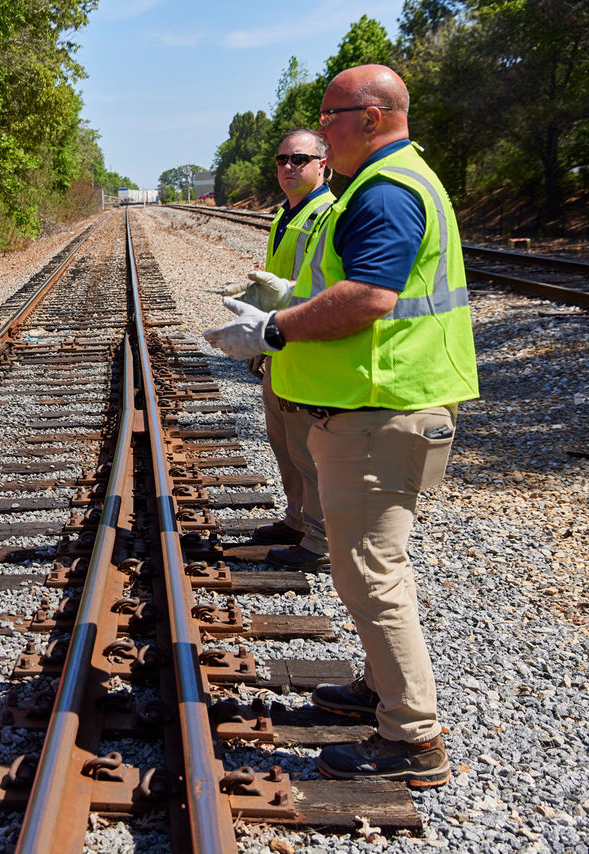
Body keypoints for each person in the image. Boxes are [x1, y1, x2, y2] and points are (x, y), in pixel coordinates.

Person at [202, 64, 478, 788]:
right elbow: (366, 287)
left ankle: (414, 739)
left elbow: (372, 297)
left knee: (371, 576)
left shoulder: (385, 190)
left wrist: (276, 331)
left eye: (330, 114)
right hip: (386, 405)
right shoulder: (396, 180)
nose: (319, 128)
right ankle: (380, 690)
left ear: (373, 117)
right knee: (369, 570)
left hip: (380, 412)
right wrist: (289, 297)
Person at [223, 130, 335, 570]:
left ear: (322, 165)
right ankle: (296, 520)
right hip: (280, 347)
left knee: (309, 450)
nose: (289, 166)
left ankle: (320, 541)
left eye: (300, 159)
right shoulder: (285, 215)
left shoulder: (326, 215)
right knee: (283, 443)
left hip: (307, 349)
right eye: (282, 159)